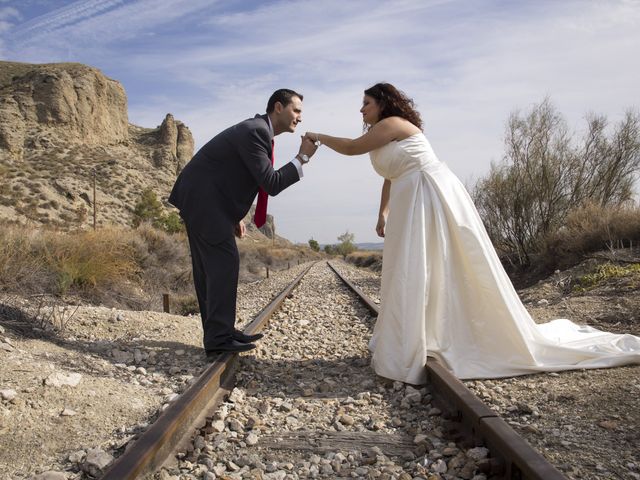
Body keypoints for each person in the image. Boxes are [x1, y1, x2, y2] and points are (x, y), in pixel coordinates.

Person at [305, 82, 640, 384]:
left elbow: (351, 148)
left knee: (430, 264)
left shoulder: (392, 124)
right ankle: (415, 336)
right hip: (411, 197)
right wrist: (383, 211)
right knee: (409, 267)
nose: (361, 109)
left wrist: (318, 136)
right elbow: (391, 174)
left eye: (365, 103)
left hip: (430, 195)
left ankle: (441, 337)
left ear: (382, 103)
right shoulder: (383, 131)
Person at [170, 89, 317, 359]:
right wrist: (302, 158)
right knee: (223, 264)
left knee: (210, 270)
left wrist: (236, 215)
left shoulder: (258, 131)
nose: (299, 118)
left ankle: (220, 333)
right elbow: (270, 183)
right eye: (296, 111)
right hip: (204, 202)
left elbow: (231, 173)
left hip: (205, 201)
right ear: (278, 107)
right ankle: (219, 338)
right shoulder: (257, 132)